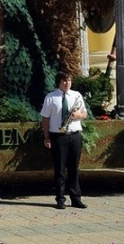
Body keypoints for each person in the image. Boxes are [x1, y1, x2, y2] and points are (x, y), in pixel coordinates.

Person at [41, 70, 88, 210]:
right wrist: (47, 137)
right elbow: (45, 119)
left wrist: (78, 115)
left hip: (74, 135)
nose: (67, 83)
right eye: (64, 81)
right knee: (60, 170)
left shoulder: (77, 95)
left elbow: (84, 113)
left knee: (74, 169)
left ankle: (76, 198)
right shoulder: (51, 97)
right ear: (59, 82)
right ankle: (60, 199)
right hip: (58, 136)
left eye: (69, 81)